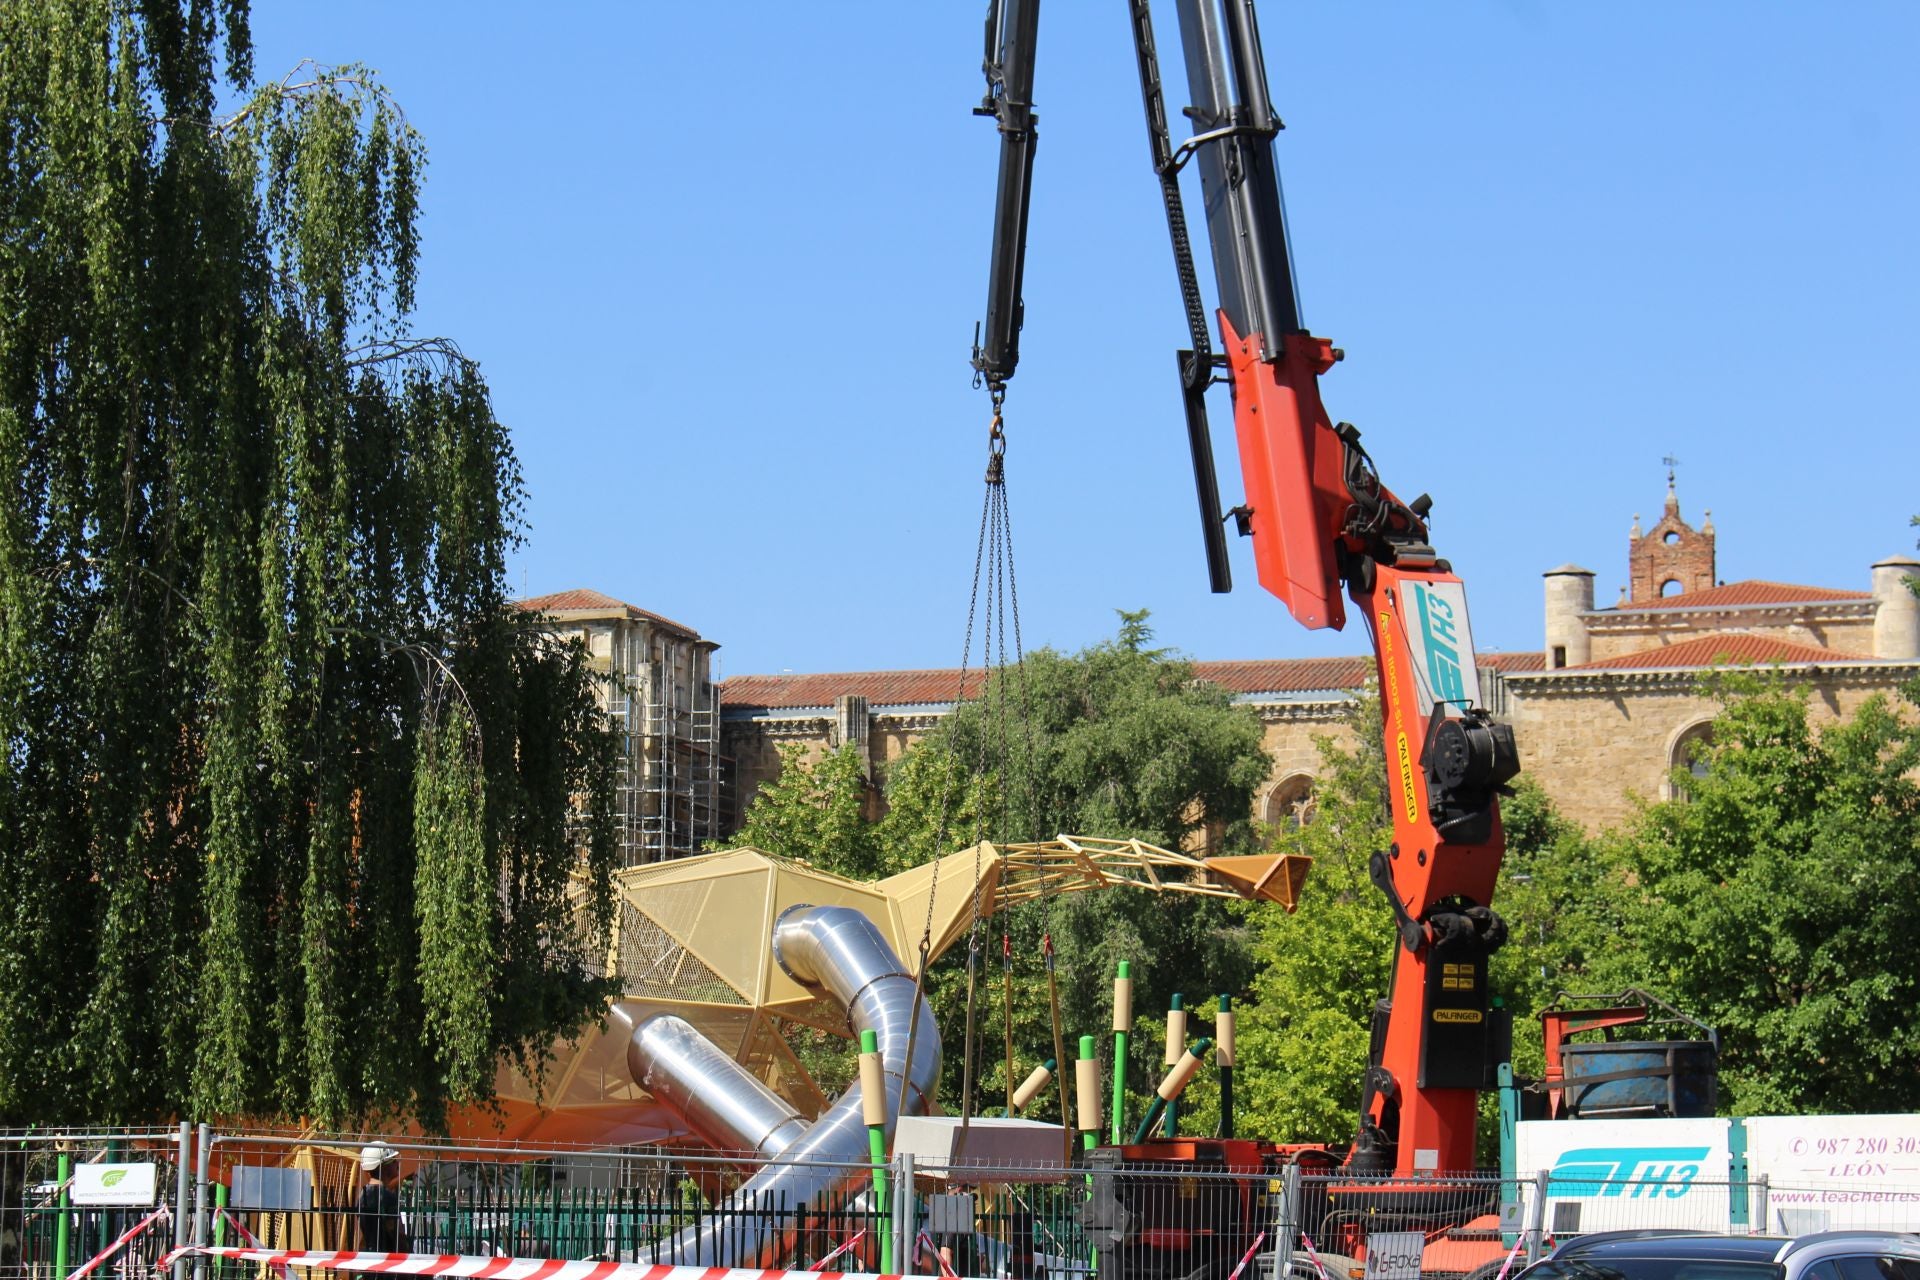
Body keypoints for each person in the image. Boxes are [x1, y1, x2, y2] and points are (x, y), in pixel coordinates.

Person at [351, 1145, 409, 1254]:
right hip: (389, 1263)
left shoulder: (363, 1197)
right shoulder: (388, 1198)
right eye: (393, 1161)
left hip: (370, 1261)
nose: (397, 1163)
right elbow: (398, 1236)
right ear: (383, 1166)